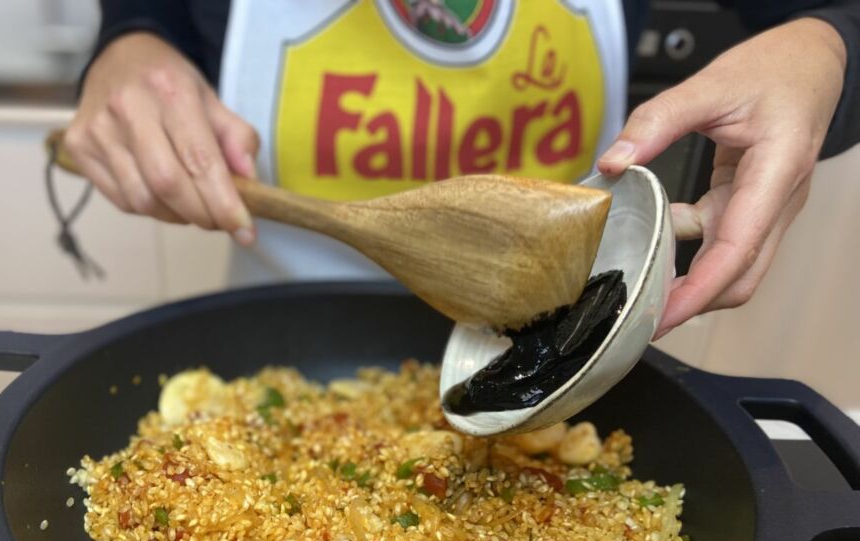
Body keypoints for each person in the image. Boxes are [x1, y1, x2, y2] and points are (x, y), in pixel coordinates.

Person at [62, 1, 860, 337]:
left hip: (556, 338)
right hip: (283, 333)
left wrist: (825, 49)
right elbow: (150, 13)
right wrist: (131, 40)